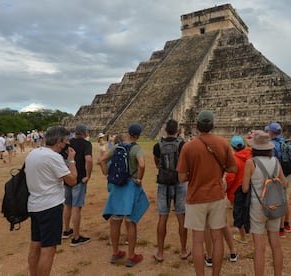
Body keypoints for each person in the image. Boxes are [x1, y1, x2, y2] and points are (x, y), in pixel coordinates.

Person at [177, 110, 237, 276]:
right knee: (217, 238)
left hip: (196, 197)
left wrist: (194, 174)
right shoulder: (223, 143)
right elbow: (233, 168)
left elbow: (181, 177)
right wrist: (219, 169)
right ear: (212, 125)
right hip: (216, 196)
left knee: (197, 240)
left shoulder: (188, 147)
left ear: (197, 126)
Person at [25, 126, 78, 276]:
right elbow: (72, 180)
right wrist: (71, 161)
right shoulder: (54, 157)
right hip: (50, 206)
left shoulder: (33, 154)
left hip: (34, 204)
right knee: (48, 249)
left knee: (35, 245)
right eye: (66, 141)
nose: (67, 145)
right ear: (59, 142)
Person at [101, 123, 148, 267]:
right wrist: (139, 179)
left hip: (117, 187)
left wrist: (107, 173)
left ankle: (115, 252)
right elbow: (141, 165)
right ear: (138, 135)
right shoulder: (137, 148)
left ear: (128, 133)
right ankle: (131, 255)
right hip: (131, 187)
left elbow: (102, 160)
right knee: (130, 221)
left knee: (115, 220)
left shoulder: (117, 147)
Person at [242, 130, 286, 276]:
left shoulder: (251, 162)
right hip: (274, 205)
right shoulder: (276, 162)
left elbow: (245, 188)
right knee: (276, 245)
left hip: (258, 207)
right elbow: (284, 184)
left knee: (259, 248)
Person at [152, 119, 190, 262]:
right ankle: (184, 250)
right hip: (179, 182)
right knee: (181, 216)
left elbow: (157, 163)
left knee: (163, 216)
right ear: (177, 131)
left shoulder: (158, 146)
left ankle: (160, 252)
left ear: (166, 130)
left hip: (163, 183)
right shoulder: (182, 145)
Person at [62, 124, 93, 246]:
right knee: (76, 207)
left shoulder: (68, 143)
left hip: (67, 177)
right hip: (79, 179)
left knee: (68, 205)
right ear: (85, 133)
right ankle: (76, 237)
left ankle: (66, 230)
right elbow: (89, 160)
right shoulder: (86, 144)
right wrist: (88, 175)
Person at [265, 122, 291, 238]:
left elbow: (272, 162)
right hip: (287, 174)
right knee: (286, 199)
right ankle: (286, 224)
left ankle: (280, 229)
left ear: (271, 132)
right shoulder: (286, 142)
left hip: (277, 175)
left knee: (278, 201)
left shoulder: (272, 144)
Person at [225, 135, 252, 243]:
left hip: (236, 190)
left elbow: (230, 178)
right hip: (250, 188)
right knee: (249, 210)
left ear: (233, 147)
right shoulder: (251, 156)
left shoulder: (235, 160)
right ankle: (248, 229)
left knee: (238, 213)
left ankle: (242, 235)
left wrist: (226, 189)